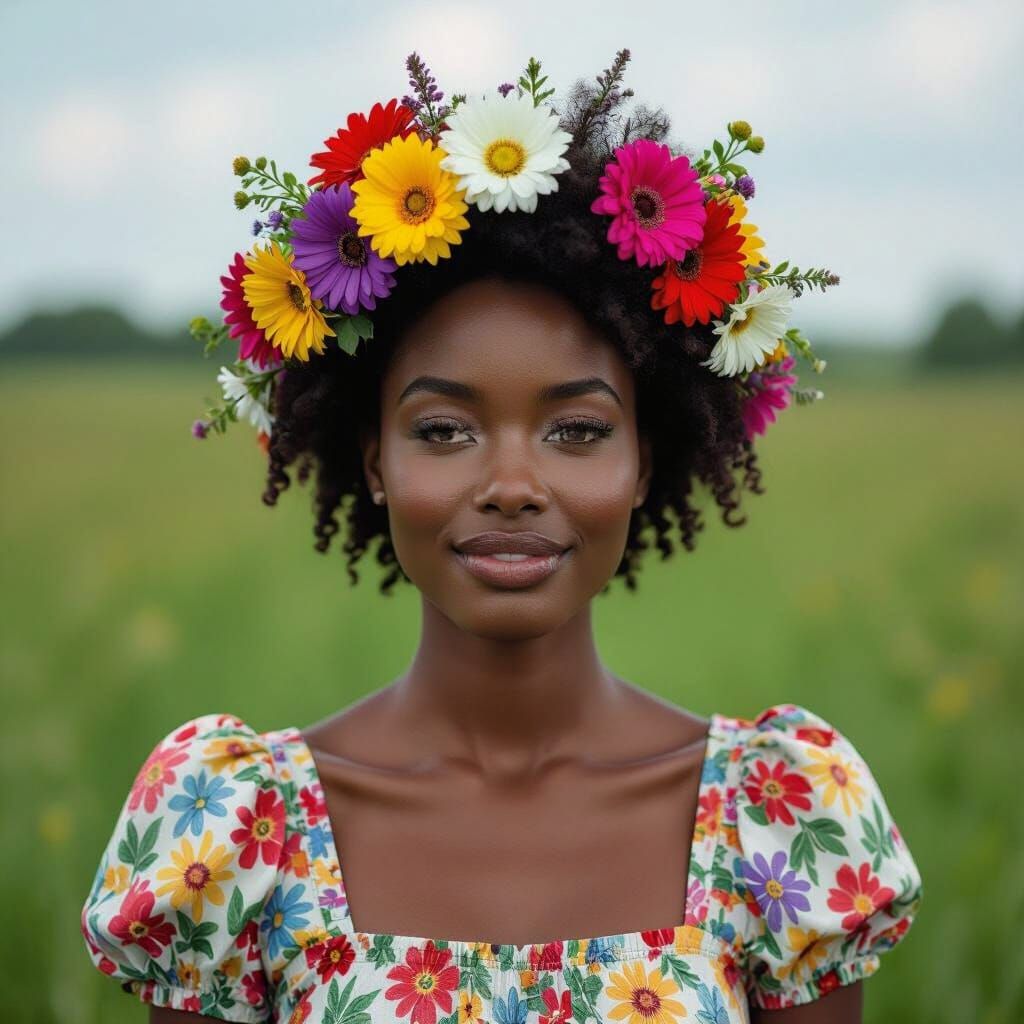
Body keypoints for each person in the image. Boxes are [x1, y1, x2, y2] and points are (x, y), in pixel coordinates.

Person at [80, 52, 922, 1024]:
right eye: (444, 431)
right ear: (373, 462)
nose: (513, 486)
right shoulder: (233, 833)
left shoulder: (779, 818)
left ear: (645, 462)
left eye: (577, 430)